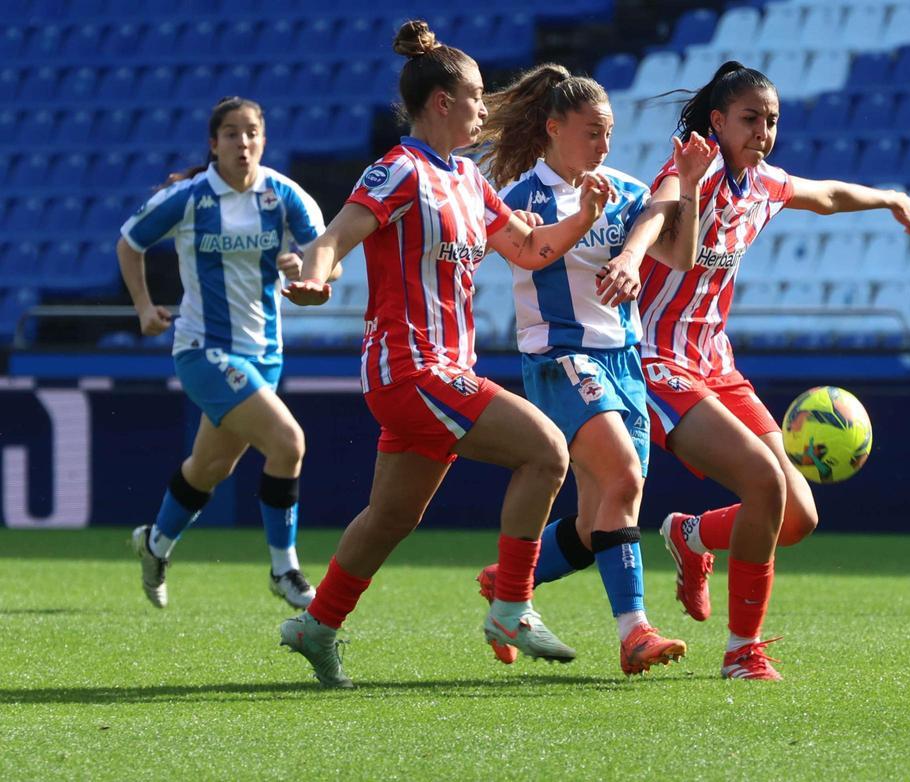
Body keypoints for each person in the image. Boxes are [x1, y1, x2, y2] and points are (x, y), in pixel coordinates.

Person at [276, 21, 617, 688]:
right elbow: (338, 232)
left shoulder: (465, 177)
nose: (484, 110)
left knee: (392, 518)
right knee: (547, 451)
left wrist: (581, 217)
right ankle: (512, 605)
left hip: (442, 370)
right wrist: (316, 274)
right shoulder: (399, 170)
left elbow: (529, 248)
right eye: (475, 97)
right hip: (410, 364)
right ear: (441, 102)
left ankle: (315, 625)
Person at [641, 62, 910, 680]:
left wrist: (890, 198)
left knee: (798, 517)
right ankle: (743, 653)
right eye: (750, 119)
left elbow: (824, 195)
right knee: (764, 488)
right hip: (655, 361)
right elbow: (657, 206)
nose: (763, 131)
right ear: (717, 122)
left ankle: (691, 535)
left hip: (717, 364)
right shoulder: (693, 172)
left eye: (771, 120)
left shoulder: (762, 185)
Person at [472, 64, 718, 675]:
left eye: (608, 132)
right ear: (554, 129)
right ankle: (635, 634)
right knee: (626, 477)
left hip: (623, 360)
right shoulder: (521, 200)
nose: (603, 145)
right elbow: (514, 251)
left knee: (598, 517)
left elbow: (680, 257)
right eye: (591, 132)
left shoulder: (622, 188)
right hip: (561, 358)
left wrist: (686, 187)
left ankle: (509, 582)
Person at [117, 96, 328, 611]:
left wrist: (304, 268)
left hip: (264, 352)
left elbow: (329, 255)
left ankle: (155, 543)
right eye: (231, 133)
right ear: (213, 144)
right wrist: (144, 307)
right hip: (203, 348)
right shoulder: (190, 198)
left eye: (252, 132)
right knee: (288, 443)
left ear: (264, 139)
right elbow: (129, 242)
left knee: (209, 467)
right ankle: (285, 569)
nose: (243, 142)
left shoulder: (282, 195)